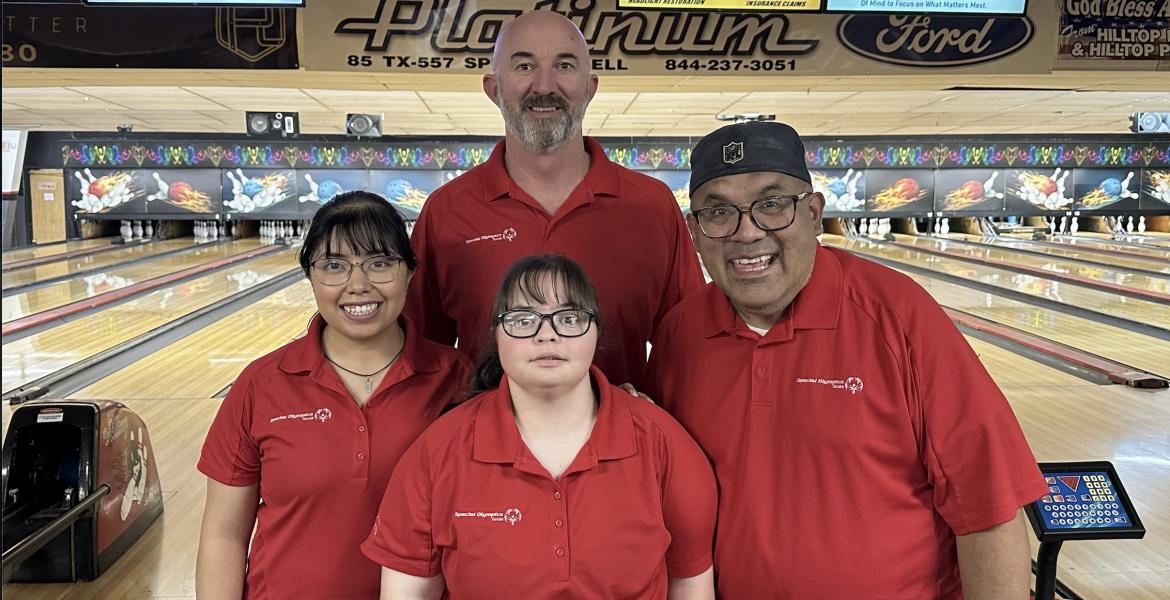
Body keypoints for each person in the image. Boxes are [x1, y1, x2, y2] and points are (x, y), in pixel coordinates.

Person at [647, 122, 1048, 599]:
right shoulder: (679, 334)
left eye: (772, 205)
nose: (747, 232)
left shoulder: (897, 315)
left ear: (814, 214)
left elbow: (990, 506)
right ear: (694, 230)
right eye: (719, 212)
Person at [363, 255, 717, 600]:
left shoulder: (663, 442)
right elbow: (409, 591)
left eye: (570, 317)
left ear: (597, 331)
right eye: (522, 319)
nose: (547, 336)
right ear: (495, 334)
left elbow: (690, 585)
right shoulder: (437, 451)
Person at [406, 11, 703, 390]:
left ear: (590, 86)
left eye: (564, 64)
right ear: (493, 88)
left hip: (625, 447)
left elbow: (688, 346)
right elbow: (420, 358)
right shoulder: (446, 211)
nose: (544, 85)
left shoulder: (652, 206)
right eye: (524, 65)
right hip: (479, 447)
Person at [196, 191, 471, 600]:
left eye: (380, 263)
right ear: (309, 275)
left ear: (411, 272)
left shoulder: (457, 379)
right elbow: (223, 537)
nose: (357, 285)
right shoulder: (262, 384)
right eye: (333, 266)